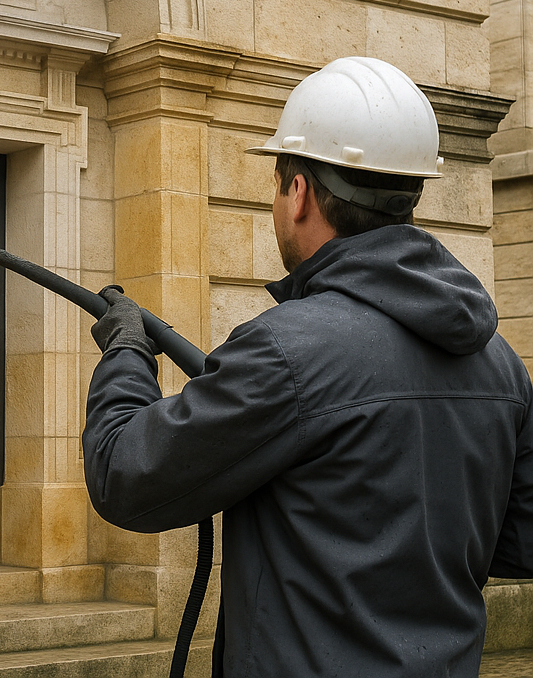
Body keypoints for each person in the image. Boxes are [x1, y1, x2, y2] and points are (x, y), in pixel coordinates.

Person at [82, 56, 533, 678]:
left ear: (298, 193)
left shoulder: (283, 352)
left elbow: (123, 475)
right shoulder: (500, 363)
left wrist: (126, 354)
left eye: (277, 184)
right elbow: (522, 539)